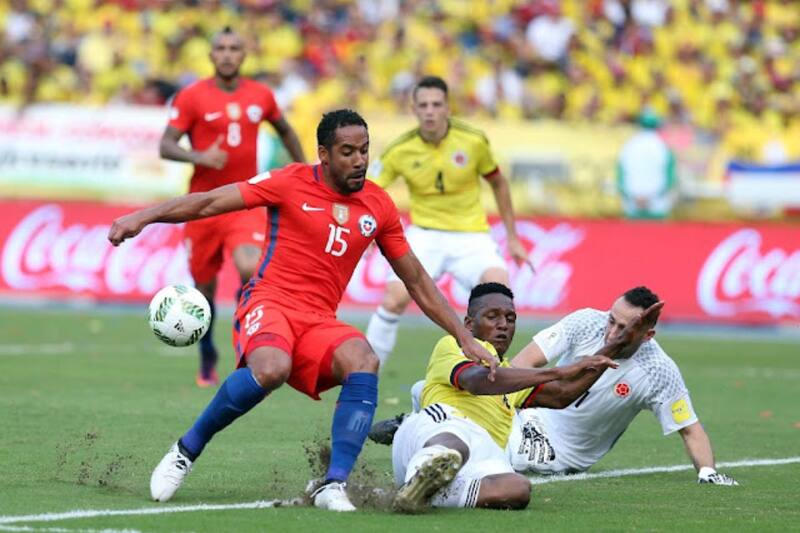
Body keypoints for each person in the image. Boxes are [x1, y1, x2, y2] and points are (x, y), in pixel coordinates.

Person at [108, 109, 498, 513]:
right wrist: (143, 217)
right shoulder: (288, 181)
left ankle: (332, 484)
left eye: (364, 150)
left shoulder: (378, 205)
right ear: (324, 155)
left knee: (363, 360)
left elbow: (417, 279)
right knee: (271, 368)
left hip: (318, 319)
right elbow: (210, 203)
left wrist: (463, 337)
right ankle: (186, 451)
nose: (359, 160)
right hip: (269, 300)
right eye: (348, 152)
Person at [390, 282, 661, 513]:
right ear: (469, 324)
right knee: (454, 443)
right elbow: (478, 381)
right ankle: (422, 473)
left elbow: (563, 395)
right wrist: (558, 370)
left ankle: (425, 493)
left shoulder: (513, 375)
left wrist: (616, 345)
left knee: (517, 489)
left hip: (483, 453)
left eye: (510, 318)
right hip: (440, 427)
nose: (503, 325)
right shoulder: (455, 345)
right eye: (493, 316)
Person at [160, 27, 306, 387]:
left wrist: (305, 172)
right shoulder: (192, 96)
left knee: (248, 267)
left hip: (244, 200)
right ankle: (207, 349)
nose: (227, 54)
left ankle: (248, 346)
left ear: (244, 55)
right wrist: (199, 155)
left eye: (234, 48)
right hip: (201, 207)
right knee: (204, 292)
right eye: (221, 48)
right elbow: (166, 145)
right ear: (211, 55)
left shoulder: (261, 95)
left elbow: (285, 129)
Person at [366, 75, 531, 368]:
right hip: (425, 235)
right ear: (414, 109)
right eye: (423, 105)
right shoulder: (399, 150)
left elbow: (499, 183)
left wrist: (513, 238)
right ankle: (364, 375)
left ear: (447, 108)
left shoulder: (473, 140)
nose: (430, 110)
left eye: (436, 104)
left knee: (499, 295)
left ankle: (493, 375)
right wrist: (365, 233)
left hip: (471, 236)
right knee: (393, 299)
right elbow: (370, 193)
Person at [507, 286, 738, 485]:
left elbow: (691, 430)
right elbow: (520, 364)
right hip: (522, 415)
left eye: (623, 328)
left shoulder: (658, 370)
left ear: (647, 335)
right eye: (611, 320)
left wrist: (708, 472)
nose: (611, 333)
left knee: (481, 445)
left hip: (556, 450)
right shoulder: (586, 322)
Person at [616, 111, 677, 219]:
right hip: (657, 206)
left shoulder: (628, 146)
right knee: (658, 236)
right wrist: (651, 199)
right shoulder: (664, 147)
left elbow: (620, 176)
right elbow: (670, 178)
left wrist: (634, 197)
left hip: (632, 206)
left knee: (631, 236)